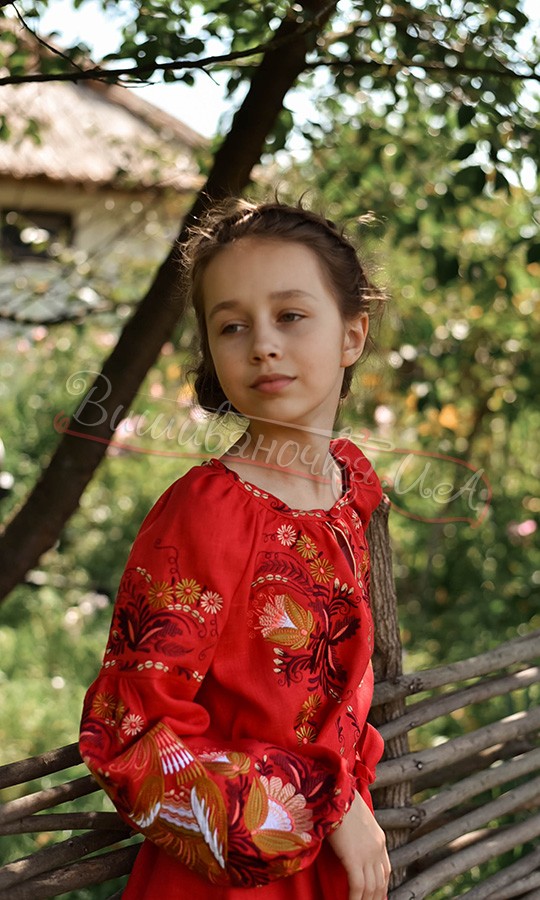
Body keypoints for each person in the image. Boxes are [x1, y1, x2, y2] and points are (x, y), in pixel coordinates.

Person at [79, 199, 391, 899]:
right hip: (229, 876)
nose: (262, 345)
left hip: (335, 867)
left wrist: (347, 797)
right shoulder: (206, 514)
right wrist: (322, 805)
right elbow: (131, 730)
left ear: (352, 334)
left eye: (291, 315)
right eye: (232, 325)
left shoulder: (348, 488)